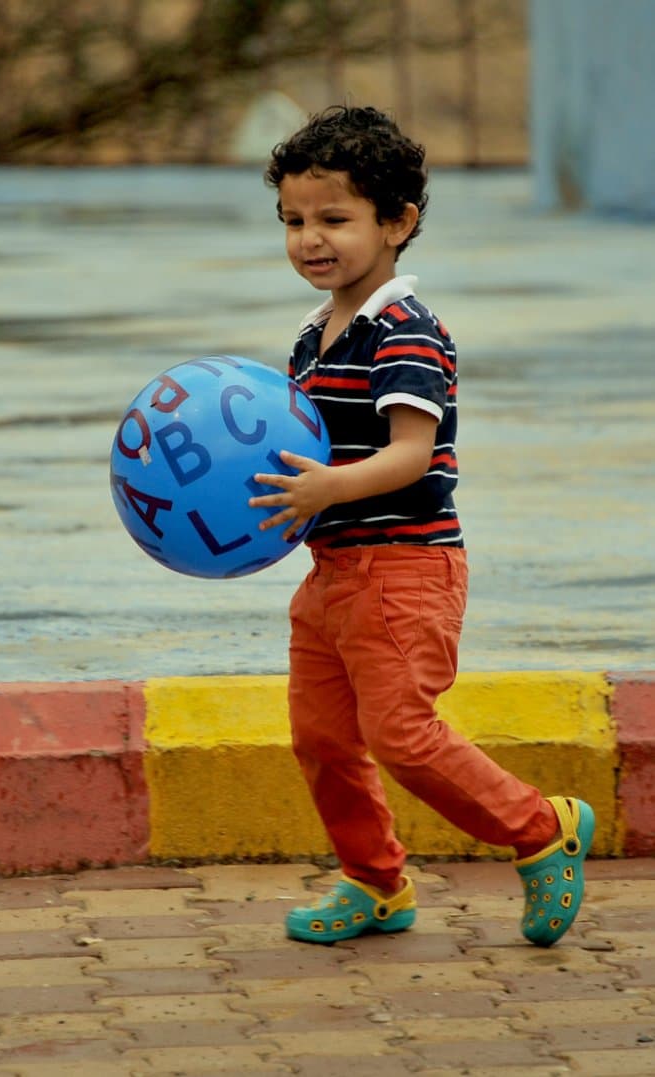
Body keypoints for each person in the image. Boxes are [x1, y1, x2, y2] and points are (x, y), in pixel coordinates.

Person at [249, 105, 592, 947]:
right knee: (323, 737)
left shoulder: (405, 332)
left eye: (335, 218)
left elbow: (411, 452)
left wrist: (327, 483)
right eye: (294, 220)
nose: (309, 239)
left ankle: (540, 827)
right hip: (333, 571)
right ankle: (375, 882)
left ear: (397, 223)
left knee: (401, 736)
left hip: (405, 568)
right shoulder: (314, 335)